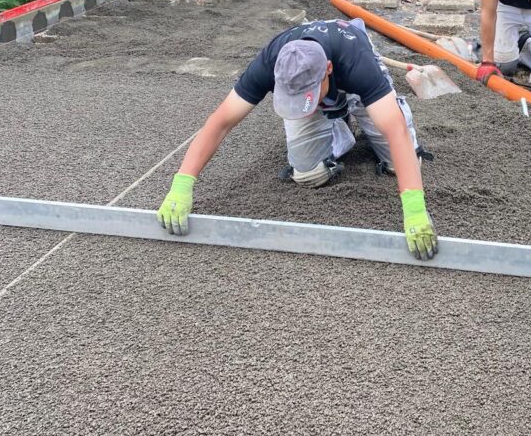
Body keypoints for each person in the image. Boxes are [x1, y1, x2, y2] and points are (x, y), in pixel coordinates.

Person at [156, 18, 438, 260]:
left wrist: (414, 210)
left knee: (398, 163)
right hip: (320, 80)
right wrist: (182, 185)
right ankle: (340, 127)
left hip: (360, 85)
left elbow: (395, 133)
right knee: (308, 174)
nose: (307, 104)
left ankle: (363, 109)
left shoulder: (356, 61)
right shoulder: (270, 62)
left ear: (328, 69)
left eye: (309, 97)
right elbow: (219, 123)